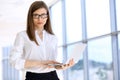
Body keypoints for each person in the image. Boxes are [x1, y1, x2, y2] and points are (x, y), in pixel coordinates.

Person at [9, 1, 74, 80]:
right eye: (36, 15)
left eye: (43, 15)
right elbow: (14, 61)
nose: (40, 19)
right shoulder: (22, 36)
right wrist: (41, 63)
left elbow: (52, 64)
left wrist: (61, 66)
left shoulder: (53, 37)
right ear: (31, 16)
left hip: (53, 76)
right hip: (33, 77)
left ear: (47, 16)